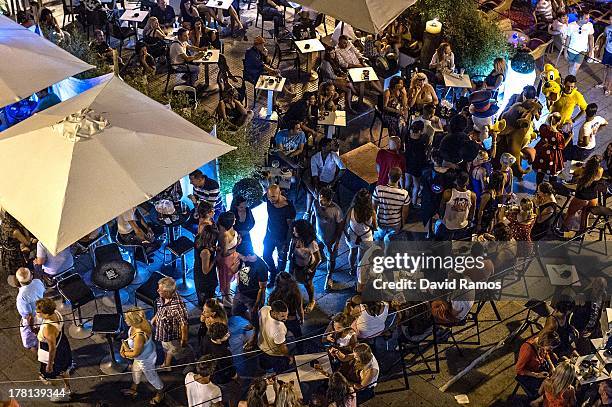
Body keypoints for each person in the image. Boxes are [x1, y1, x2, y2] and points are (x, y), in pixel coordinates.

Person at [120, 307, 165, 405]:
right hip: (145, 354)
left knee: (152, 377)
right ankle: (134, 387)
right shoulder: (143, 322)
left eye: (127, 318)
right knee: (135, 371)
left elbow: (136, 353)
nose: (125, 320)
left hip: (145, 359)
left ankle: (161, 392)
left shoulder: (139, 336)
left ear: (133, 321)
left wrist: (124, 354)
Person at [35, 298, 72, 401]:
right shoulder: (56, 312)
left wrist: (50, 365)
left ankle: (65, 390)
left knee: (50, 374)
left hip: (54, 351)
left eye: (39, 312)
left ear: (46, 314)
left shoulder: (48, 328)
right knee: (65, 368)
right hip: (63, 343)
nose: (36, 313)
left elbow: (52, 348)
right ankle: (67, 385)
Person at [200, 323, 241, 406]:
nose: (229, 334)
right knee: (232, 393)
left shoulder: (206, 339)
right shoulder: (224, 353)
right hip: (222, 379)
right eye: (226, 335)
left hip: (211, 375)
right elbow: (229, 369)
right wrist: (236, 377)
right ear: (218, 339)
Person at [263, 185, 296, 287]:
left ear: (279, 193)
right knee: (266, 255)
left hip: (282, 238)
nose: (271, 200)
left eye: (273, 197)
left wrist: (287, 242)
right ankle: (273, 273)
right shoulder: (268, 199)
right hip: (269, 235)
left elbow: (291, 227)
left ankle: (278, 278)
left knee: (282, 261)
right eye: (269, 197)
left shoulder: (288, 207)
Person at [152, 277, 189, 368]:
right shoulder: (163, 297)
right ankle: (167, 364)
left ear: (167, 292)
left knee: (178, 352)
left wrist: (184, 341)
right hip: (164, 335)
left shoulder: (177, 306)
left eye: (160, 290)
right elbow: (161, 308)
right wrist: (155, 318)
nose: (157, 290)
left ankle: (187, 364)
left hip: (172, 337)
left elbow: (184, 324)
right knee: (167, 348)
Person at [561, 155, 603, 233]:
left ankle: (563, 230)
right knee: (585, 216)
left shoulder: (582, 170)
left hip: (581, 197)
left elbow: (574, 173)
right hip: (593, 198)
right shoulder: (600, 171)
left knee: (570, 214)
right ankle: (581, 233)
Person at [313, 187, 343, 291]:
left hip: (331, 240)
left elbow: (340, 227)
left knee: (332, 258)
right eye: (320, 198)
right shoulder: (315, 203)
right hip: (318, 236)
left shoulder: (337, 210)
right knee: (317, 250)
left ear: (330, 200)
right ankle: (321, 259)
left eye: (324, 200)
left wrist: (337, 242)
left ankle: (329, 276)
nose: (321, 202)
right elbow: (313, 216)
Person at [306, 138, 345, 216]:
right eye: (329, 146)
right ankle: (308, 212)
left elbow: (343, 169)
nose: (331, 147)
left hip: (330, 183)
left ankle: (319, 210)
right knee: (311, 190)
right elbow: (315, 174)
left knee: (322, 195)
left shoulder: (334, 156)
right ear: (323, 147)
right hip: (319, 182)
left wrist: (334, 181)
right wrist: (317, 186)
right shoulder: (315, 158)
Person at [515, 330, 559, 400]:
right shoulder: (528, 349)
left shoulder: (542, 344)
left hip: (538, 367)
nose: (550, 350)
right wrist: (536, 375)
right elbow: (518, 369)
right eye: (550, 348)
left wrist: (551, 366)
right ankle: (535, 401)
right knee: (547, 387)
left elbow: (546, 353)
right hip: (527, 374)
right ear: (545, 342)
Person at [267, 272, 304, 353]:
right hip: (292, 319)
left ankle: (283, 352)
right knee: (298, 337)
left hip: (279, 320)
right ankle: (301, 351)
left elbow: (270, 308)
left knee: (280, 337)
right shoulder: (296, 293)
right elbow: (299, 309)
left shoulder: (274, 294)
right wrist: (302, 318)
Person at [289, 220, 321, 312]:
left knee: (308, 284)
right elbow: (292, 249)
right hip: (295, 264)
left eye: (295, 231)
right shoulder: (295, 239)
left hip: (307, 267)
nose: (293, 232)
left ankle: (311, 301)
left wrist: (311, 269)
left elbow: (318, 259)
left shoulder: (312, 243)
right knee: (293, 280)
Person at [372, 167, 410, 243]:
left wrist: (374, 223)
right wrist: (402, 224)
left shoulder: (378, 189)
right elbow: (404, 213)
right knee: (388, 241)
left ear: (388, 175)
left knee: (377, 239)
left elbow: (373, 208)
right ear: (399, 178)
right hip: (395, 223)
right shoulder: (404, 194)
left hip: (381, 222)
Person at [232, 250, 268, 330]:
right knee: (235, 311)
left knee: (254, 316)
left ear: (248, 255)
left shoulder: (261, 267)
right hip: (240, 291)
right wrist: (236, 264)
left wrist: (257, 304)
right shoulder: (242, 259)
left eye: (240, 254)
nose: (238, 255)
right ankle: (253, 322)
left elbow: (262, 288)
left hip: (252, 297)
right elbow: (233, 271)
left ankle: (255, 327)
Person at [533, 112, 572, 185]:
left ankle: (538, 189)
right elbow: (562, 146)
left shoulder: (543, 127)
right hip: (553, 156)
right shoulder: (558, 135)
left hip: (542, 152)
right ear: (559, 122)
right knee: (553, 173)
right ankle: (551, 190)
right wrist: (569, 137)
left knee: (540, 171)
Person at [344, 189, 376, 273]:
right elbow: (375, 226)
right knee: (361, 255)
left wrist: (347, 235)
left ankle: (352, 269)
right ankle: (359, 271)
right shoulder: (371, 212)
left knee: (352, 253)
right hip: (366, 237)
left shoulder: (351, 210)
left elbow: (345, 223)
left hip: (352, 236)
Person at [436, 172, 476, 240]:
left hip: (448, 225)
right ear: (467, 182)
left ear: (456, 181)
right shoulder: (472, 195)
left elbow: (441, 208)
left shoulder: (448, 193)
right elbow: (472, 211)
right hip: (462, 225)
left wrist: (441, 217)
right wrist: (470, 221)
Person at [572, 277, 607, 353]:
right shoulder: (584, 296)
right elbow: (575, 316)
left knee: (600, 349)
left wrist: (593, 329)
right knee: (585, 352)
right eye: (597, 289)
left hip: (594, 327)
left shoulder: (603, 295)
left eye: (601, 290)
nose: (598, 293)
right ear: (593, 286)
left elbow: (598, 312)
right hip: (583, 328)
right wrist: (582, 331)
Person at [193, 202, 218, 306]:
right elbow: (205, 270)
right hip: (204, 278)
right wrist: (215, 258)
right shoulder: (205, 252)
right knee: (207, 296)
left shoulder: (200, 239)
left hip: (201, 266)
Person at [258, 300, 292, 373]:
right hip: (274, 354)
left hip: (261, 347)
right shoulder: (279, 328)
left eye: (287, 315)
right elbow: (282, 348)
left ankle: (268, 373)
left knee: (266, 368)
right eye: (282, 316)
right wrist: (288, 356)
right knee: (280, 370)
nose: (286, 318)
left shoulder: (264, 309)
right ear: (274, 313)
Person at [15, 268, 45, 350]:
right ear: (31, 276)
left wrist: (32, 329)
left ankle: (39, 353)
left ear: (18, 280)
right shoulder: (38, 282)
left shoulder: (21, 297)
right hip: (43, 314)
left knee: (30, 341)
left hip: (33, 320)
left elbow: (29, 316)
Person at [1, 212, 35, 285]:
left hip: (5, 250)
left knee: (11, 269)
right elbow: (27, 242)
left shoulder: (4, 222)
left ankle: (17, 280)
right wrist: (24, 228)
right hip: (13, 254)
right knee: (18, 270)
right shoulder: (15, 231)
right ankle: (20, 283)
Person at [216, 211, 241, 306]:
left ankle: (228, 298)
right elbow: (225, 253)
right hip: (226, 260)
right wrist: (236, 246)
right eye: (234, 218)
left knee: (228, 278)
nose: (235, 219)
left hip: (233, 257)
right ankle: (227, 299)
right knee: (226, 280)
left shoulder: (231, 228)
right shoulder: (225, 235)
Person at [404, 120, 430, 206]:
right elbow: (427, 150)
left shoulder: (407, 135)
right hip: (417, 164)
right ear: (421, 130)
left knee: (407, 183)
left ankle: (404, 200)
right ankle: (414, 202)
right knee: (416, 185)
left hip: (407, 161)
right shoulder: (424, 138)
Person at [564, 10, 594, 76]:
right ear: (580, 18)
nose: (588, 20)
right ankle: (569, 78)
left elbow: (591, 38)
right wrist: (565, 51)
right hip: (571, 50)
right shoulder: (571, 26)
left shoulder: (589, 25)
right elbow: (568, 38)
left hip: (582, 51)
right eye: (586, 18)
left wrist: (591, 51)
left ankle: (571, 81)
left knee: (575, 68)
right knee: (571, 65)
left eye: (588, 18)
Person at [596, 16, 612, 95]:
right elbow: (603, 39)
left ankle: (608, 88)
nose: (611, 21)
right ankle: (603, 83)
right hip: (607, 51)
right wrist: (599, 50)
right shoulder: (607, 28)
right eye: (610, 19)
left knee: (610, 71)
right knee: (605, 67)